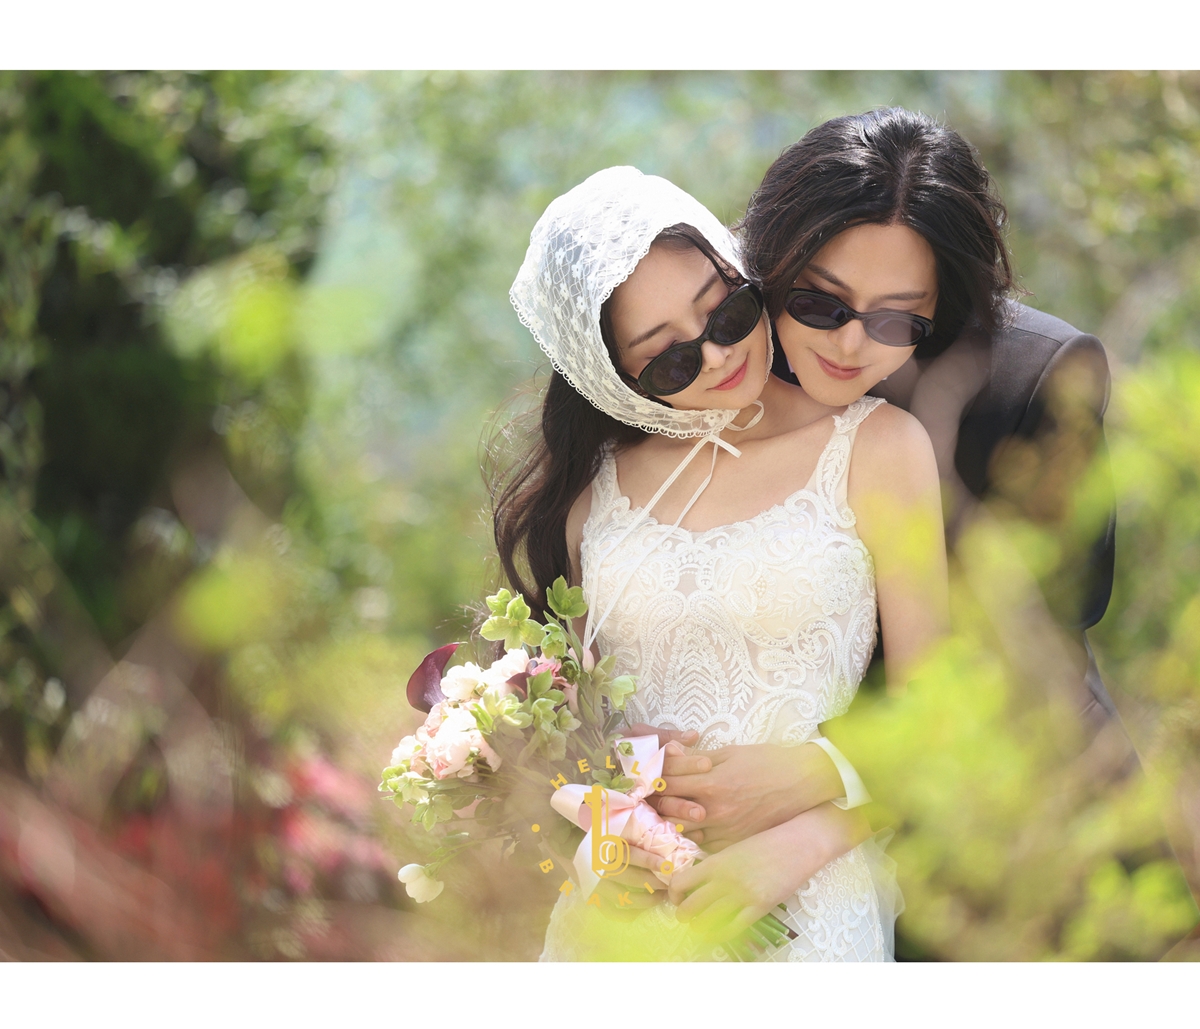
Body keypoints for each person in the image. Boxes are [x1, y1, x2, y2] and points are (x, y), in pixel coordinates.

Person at [646, 108, 1135, 873]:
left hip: (1030, 826)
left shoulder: (1035, 383)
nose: (849, 345)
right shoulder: (722, 354)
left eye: (898, 319)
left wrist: (825, 792)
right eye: (820, 303)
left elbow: (1035, 650)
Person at [497, 165, 947, 960]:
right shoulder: (589, 494)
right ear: (617, 377)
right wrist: (604, 838)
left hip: (809, 903)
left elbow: (941, 714)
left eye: (726, 312)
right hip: (622, 919)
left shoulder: (878, 447)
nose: (715, 355)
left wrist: (807, 832)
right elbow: (574, 732)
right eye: (669, 360)